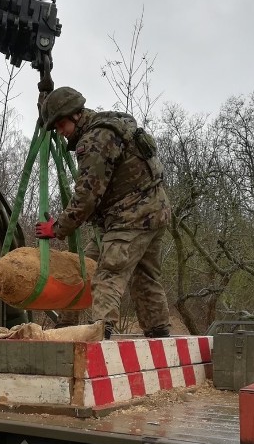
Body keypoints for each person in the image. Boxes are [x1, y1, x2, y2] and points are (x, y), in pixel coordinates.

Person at [35, 86, 171, 339]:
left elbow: (87, 196)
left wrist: (57, 228)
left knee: (108, 274)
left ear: (76, 115)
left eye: (62, 125)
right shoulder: (113, 122)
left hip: (131, 217)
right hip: (155, 212)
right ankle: (159, 334)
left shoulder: (94, 141)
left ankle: (99, 335)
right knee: (142, 276)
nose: (62, 133)